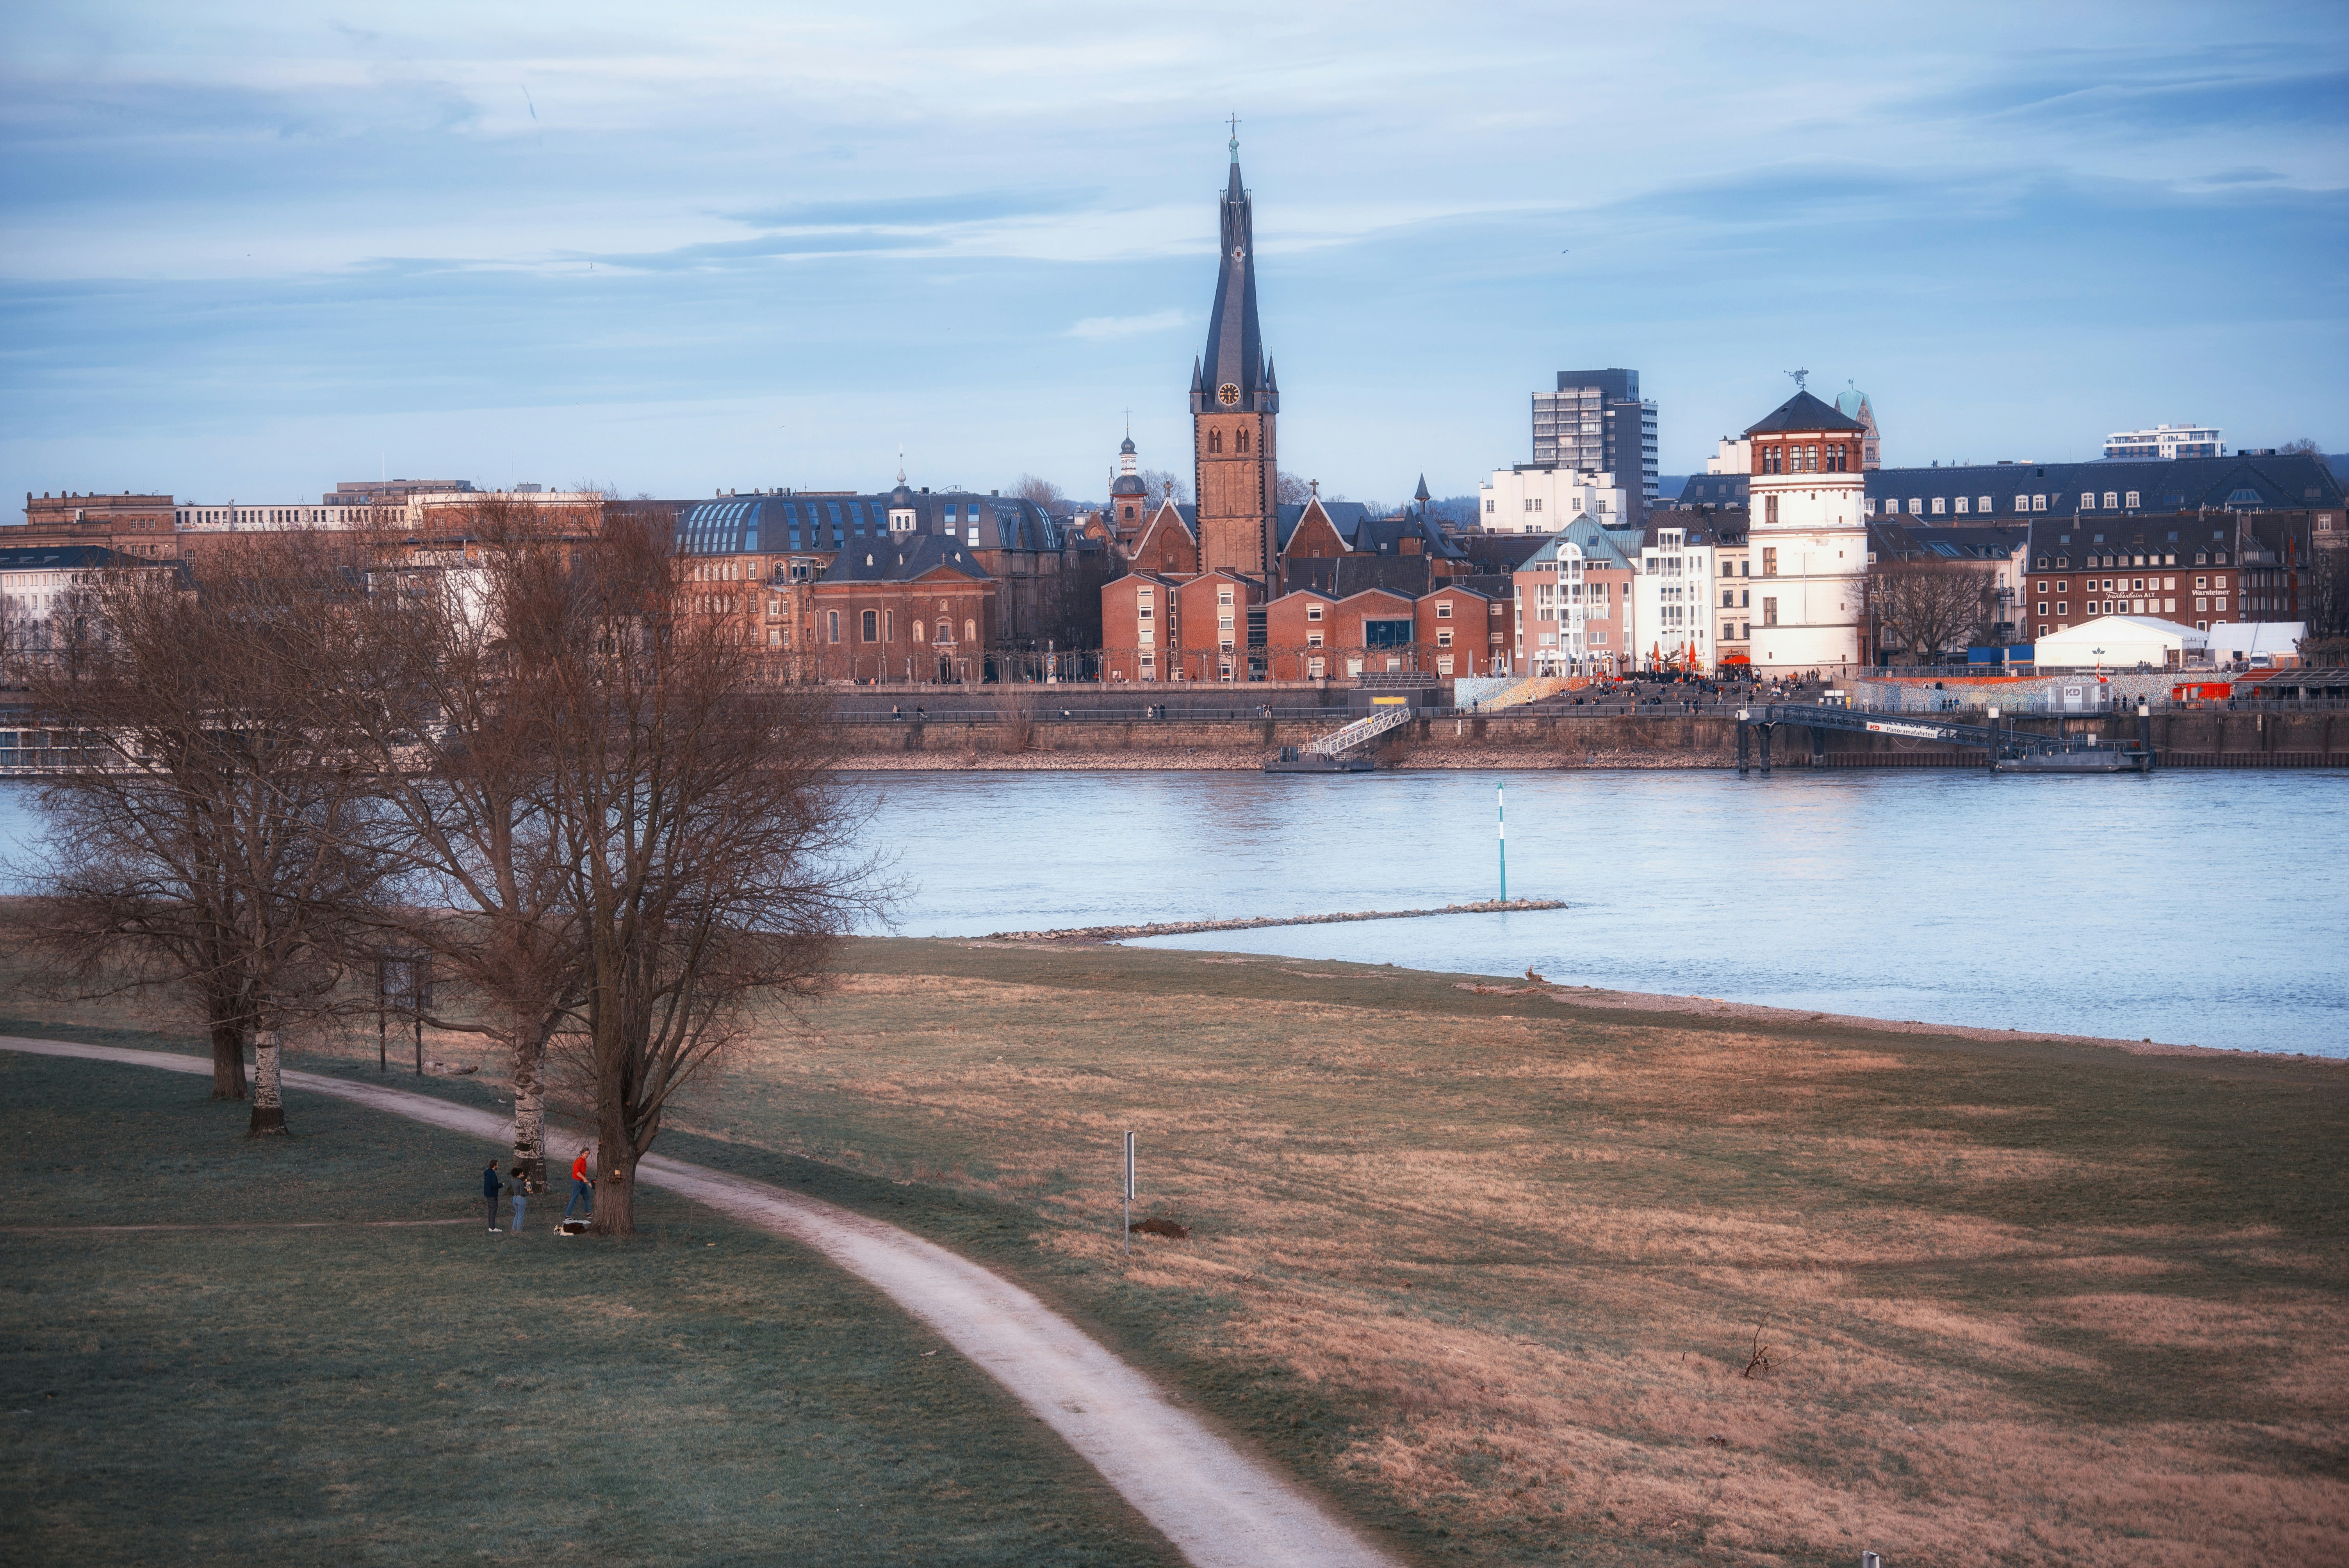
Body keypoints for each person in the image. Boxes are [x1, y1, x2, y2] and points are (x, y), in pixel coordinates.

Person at [563, 1149, 593, 1222]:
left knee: (586, 1196)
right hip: (577, 1183)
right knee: (574, 1198)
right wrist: (584, 1178)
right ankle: (568, 1216)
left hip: (582, 1182)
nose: (587, 1155)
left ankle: (588, 1213)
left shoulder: (584, 1161)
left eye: (588, 1154)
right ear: (582, 1153)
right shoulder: (579, 1161)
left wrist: (584, 1180)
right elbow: (576, 1172)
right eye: (585, 1153)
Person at [483, 1158, 503, 1231]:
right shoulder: (492, 1174)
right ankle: (493, 1227)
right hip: (492, 1195)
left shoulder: (487, 1173)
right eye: (497, 1165)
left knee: (490, 1211)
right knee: (493, 1211)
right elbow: (494, 1185)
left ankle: (491, 1227)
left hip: (488, 1194)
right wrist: (501, 1185)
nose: (498, 1166)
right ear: (494, 1166)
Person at [508, 1165, 527, 1234]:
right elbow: (522, 1193)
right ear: (520, 1174)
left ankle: (514, 1229)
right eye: (522, 1173)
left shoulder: (513, 1181)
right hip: (521, 1199)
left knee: (517, 1214)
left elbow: (518, 1186)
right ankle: (519, 1230)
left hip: (515, 1199)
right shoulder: (521, 1183)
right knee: (521, 1215)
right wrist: (528, 1194)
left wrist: (523, 1183)